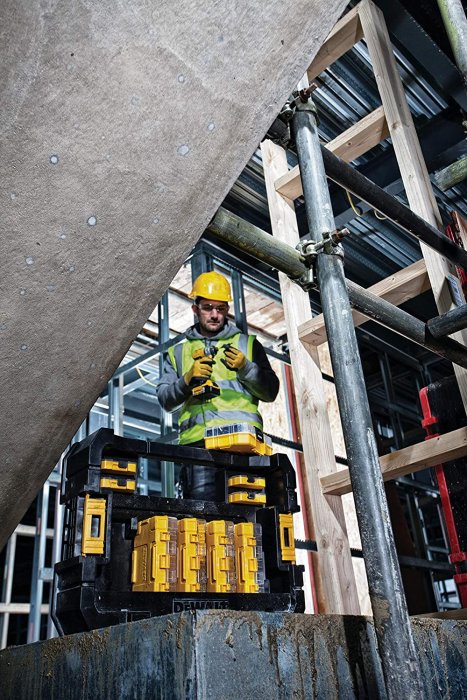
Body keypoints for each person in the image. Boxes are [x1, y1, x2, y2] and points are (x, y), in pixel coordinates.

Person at [157, 270, 279, 499]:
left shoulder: (247, 345)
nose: (214, 315)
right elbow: (165, 400)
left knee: (248, 517)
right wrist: (187, 380)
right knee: (203, 519)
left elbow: (271, 391)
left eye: (221, 308)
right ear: (195, 309)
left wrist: (246, 368)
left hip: (243, 446)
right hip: (198, 449)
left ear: (227, 309)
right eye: (208, 308)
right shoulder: (178, 352)